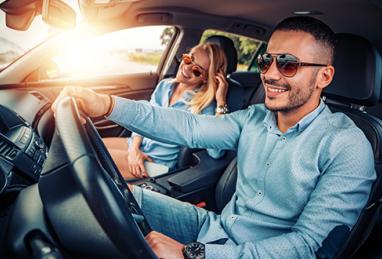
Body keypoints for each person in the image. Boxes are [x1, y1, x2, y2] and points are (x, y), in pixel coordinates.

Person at [52, 16, 376, 258]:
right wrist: (106, 104)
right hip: (213, 227)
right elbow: (186, 127)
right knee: (112, 195)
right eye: (267, 60)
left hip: (252, 253)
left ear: (324, 75)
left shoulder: (347, 145)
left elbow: (308, 247)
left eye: (288, 64)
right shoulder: (255, 117)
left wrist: (193, 254)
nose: (271, 74)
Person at [103, 42, 229, 179]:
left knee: (93, 157)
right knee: (91, 143)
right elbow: (142, 118)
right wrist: (134, 149)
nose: (186, 69)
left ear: (206, 78)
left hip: (156, 163)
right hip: (138, 146)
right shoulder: (165, 85)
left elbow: (216, 152)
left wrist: (221, 102)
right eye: (188, 59)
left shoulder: (203, 106)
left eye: (197, 70)